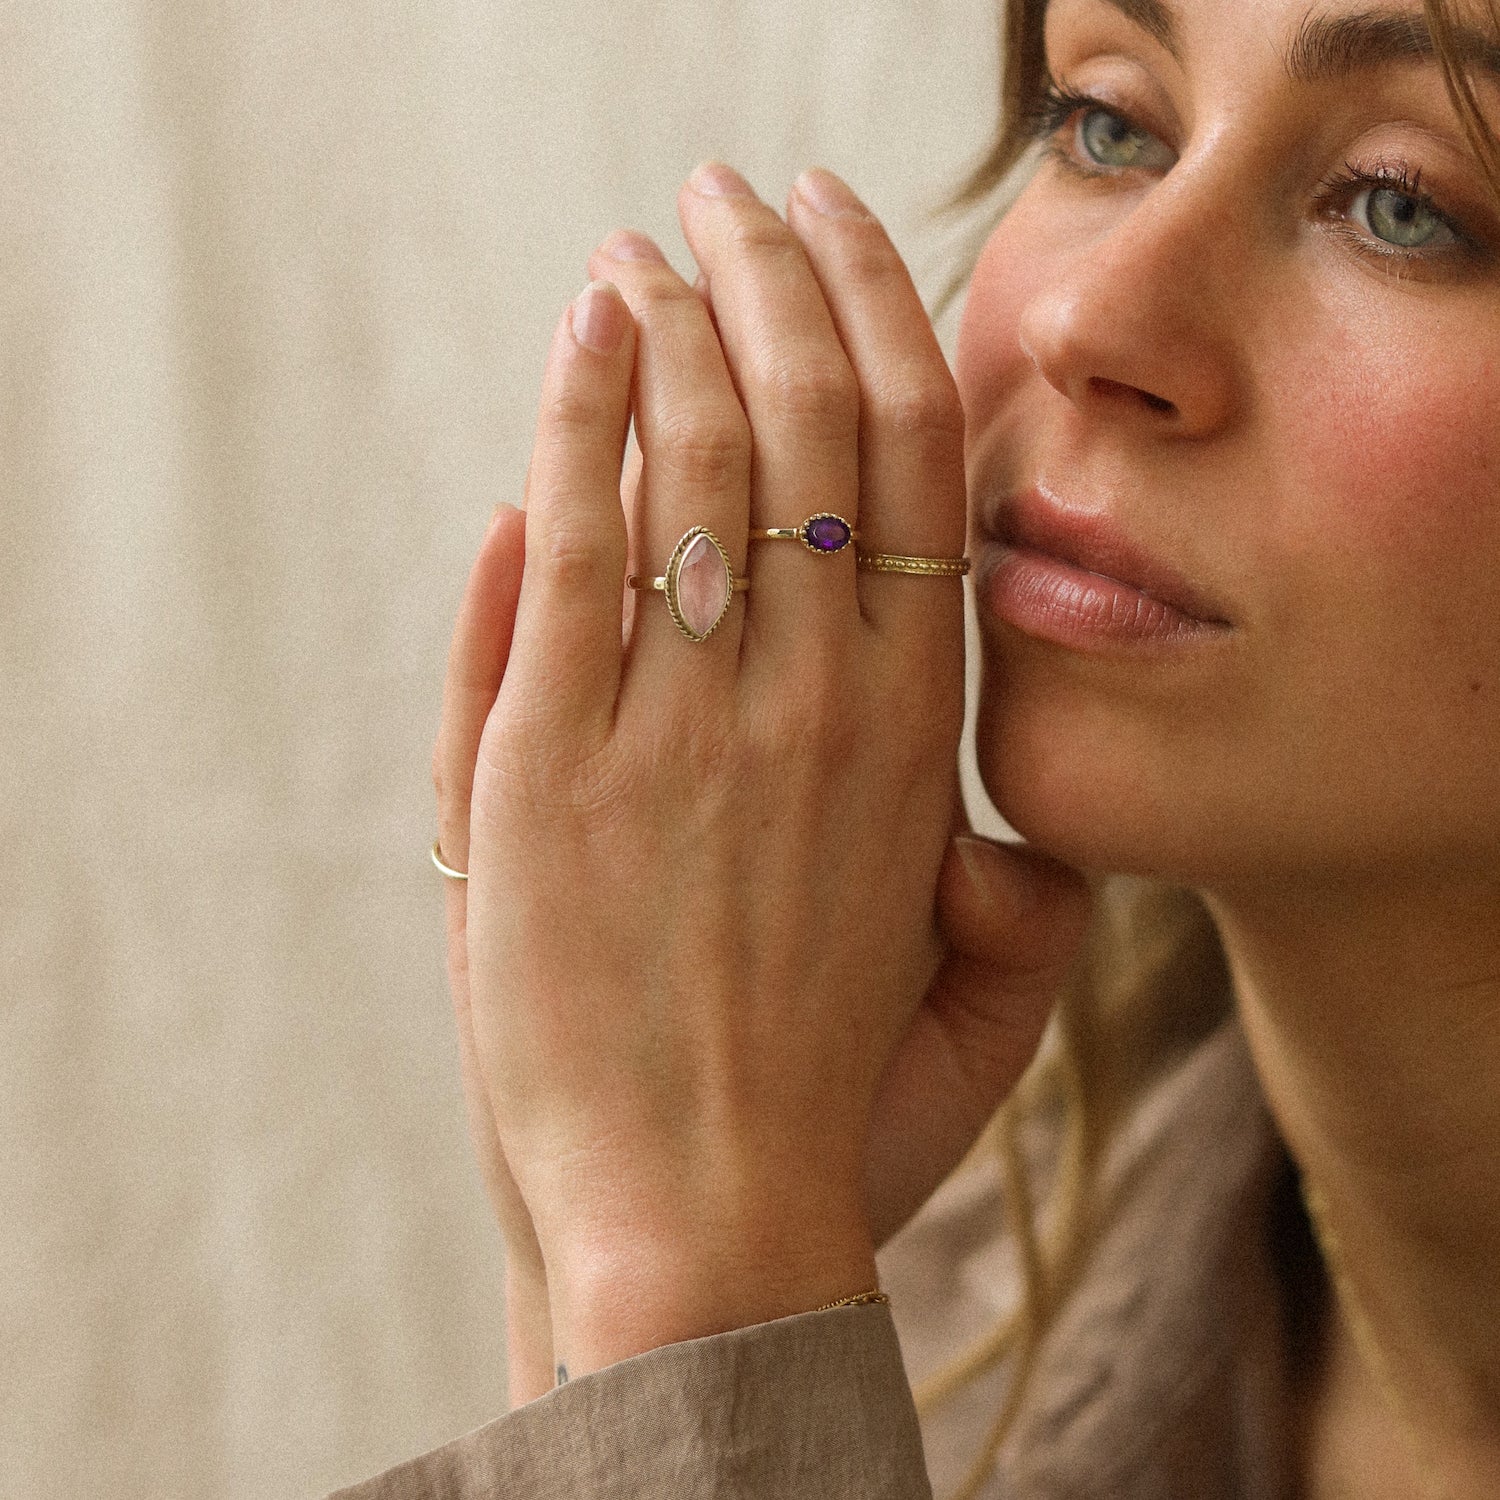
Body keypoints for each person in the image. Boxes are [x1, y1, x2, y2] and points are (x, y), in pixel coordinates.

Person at [340, 0, 1500, 1493]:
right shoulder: (979, 1304)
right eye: (1109, 122)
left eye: (1407, 207)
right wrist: (597, 1263)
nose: (1093, 319)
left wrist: (694, 1301)